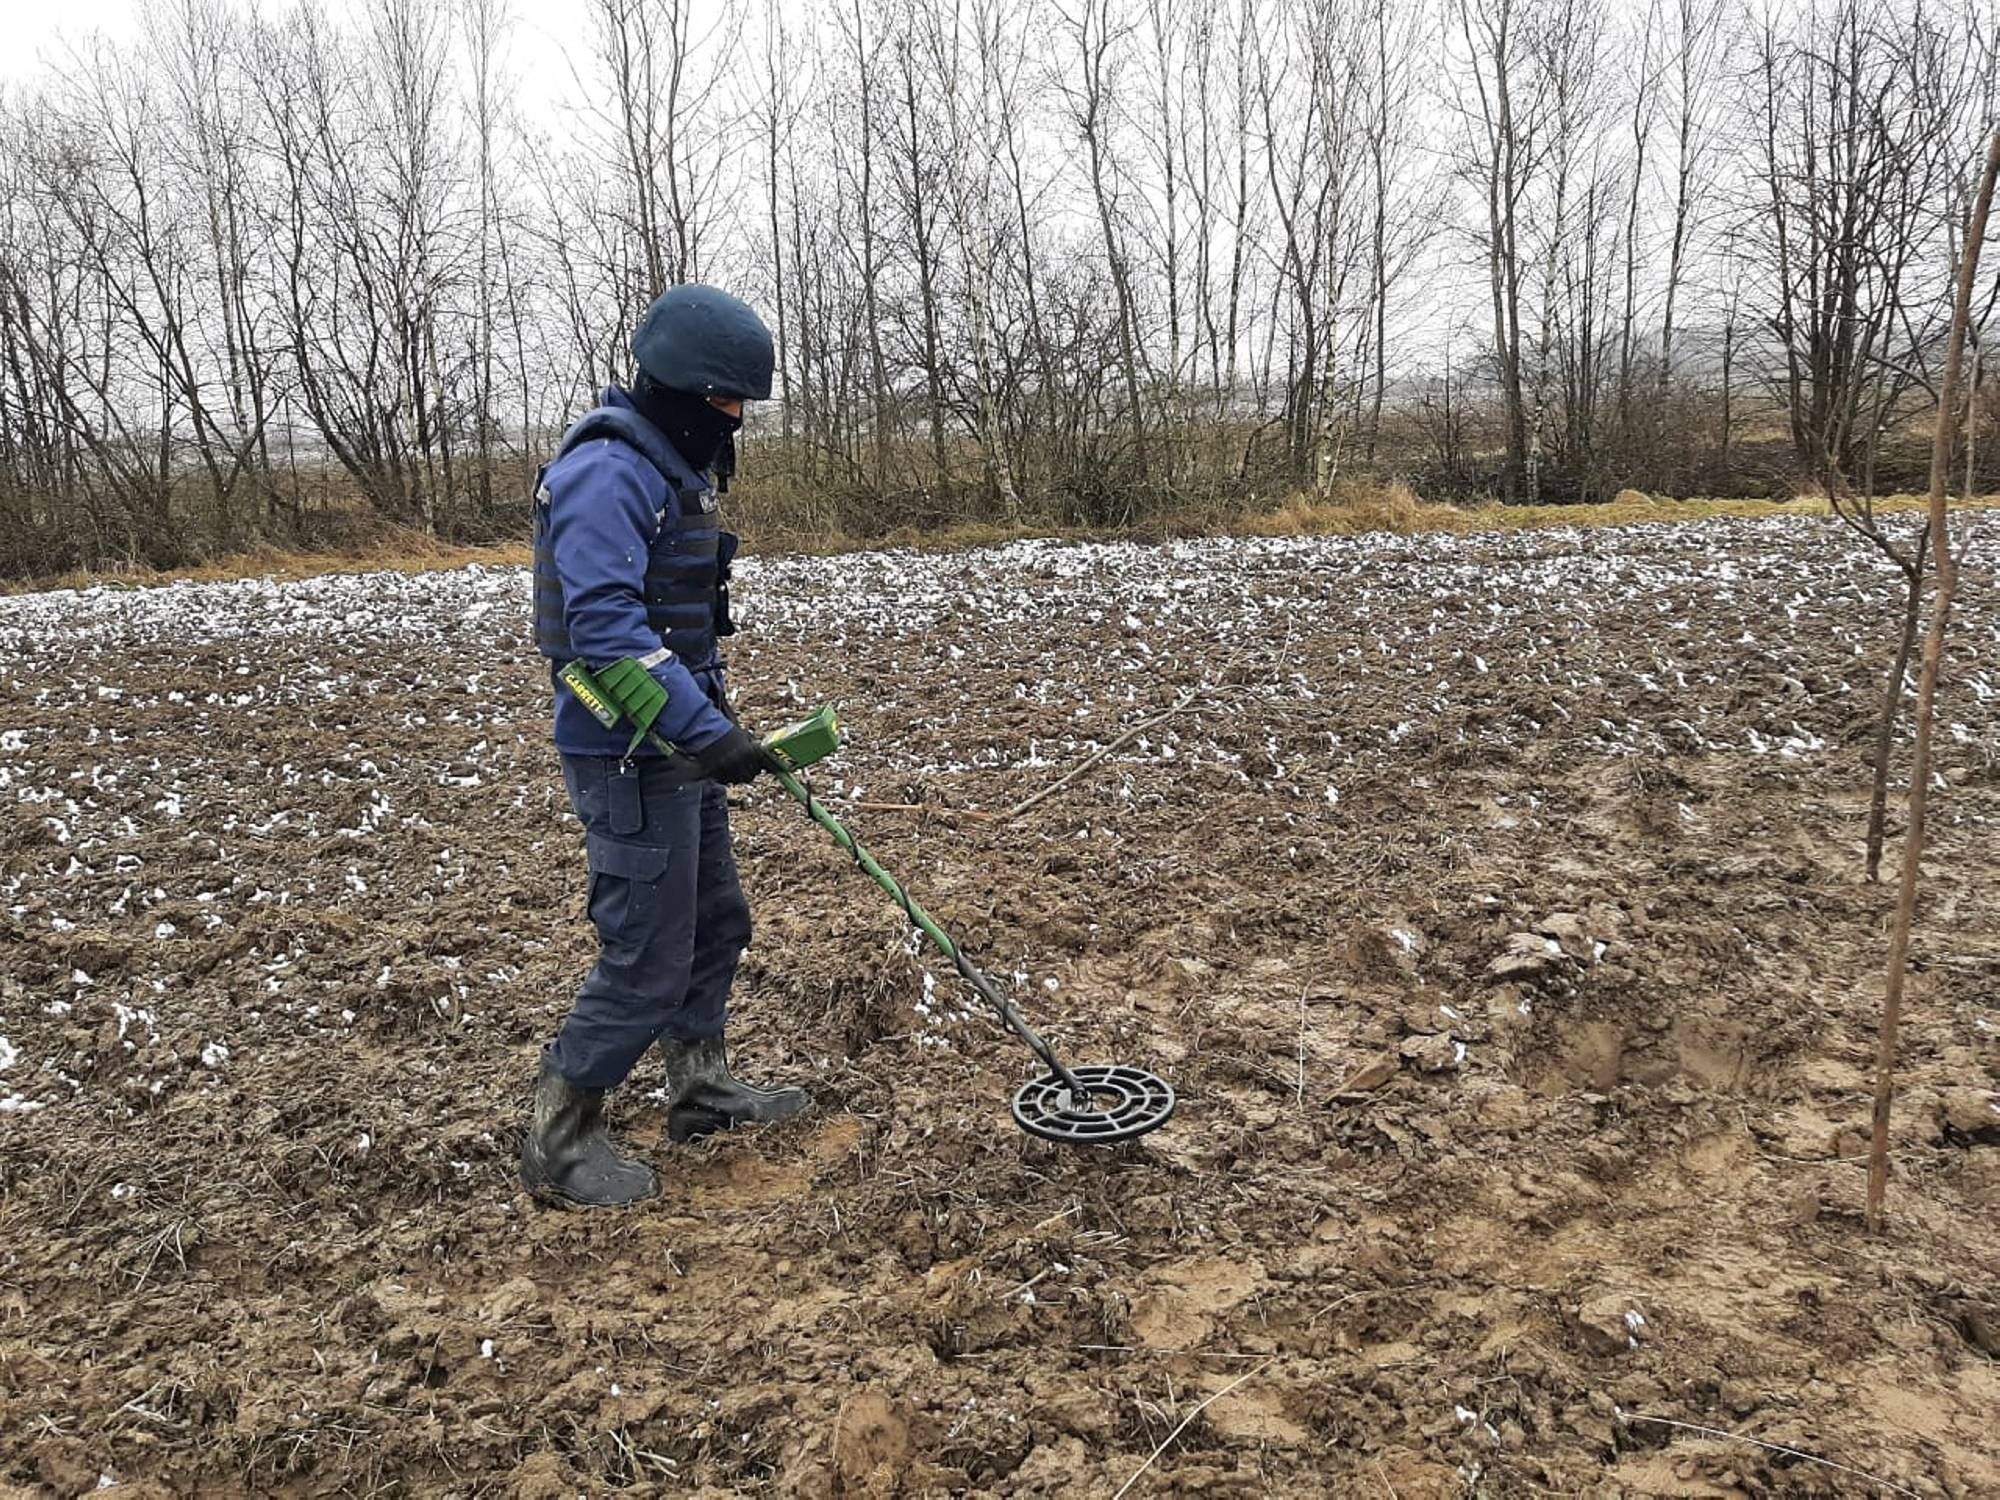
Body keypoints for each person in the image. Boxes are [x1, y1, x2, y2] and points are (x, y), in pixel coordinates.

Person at [520, 284, 809, 1209]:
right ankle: (561, 1140)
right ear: (681, 387)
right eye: (726, 403)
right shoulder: (610, 470)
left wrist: (714, 726)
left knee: (717, 923)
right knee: (644, 949)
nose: (733, 422)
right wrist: (704, 730)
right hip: (625, 751)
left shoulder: (667, 468)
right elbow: (604, 624)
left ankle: (701, 1087)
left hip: (674, 743)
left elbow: (678, 625)